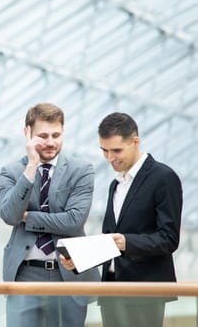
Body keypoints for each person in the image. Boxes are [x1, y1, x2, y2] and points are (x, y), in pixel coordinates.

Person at [61, 112, 183, 327]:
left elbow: (169, 239)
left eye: (116, 150)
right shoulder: (115, 185)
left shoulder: (163, 178)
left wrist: (126, 242)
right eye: (104, 151)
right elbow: (111, 240)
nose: (110, 158)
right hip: (111, 289)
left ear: (135, 142)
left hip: (144, 291)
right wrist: (81, 259)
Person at [0, 102, 100, 327]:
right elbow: (9, 215)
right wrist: (32, 166)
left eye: (57, 134)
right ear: (28, 133)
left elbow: (74, 221)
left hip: (69, 273)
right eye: (43, 136)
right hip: (24, 275)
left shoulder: (81, 170)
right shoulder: (12, 171)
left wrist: (29, 218)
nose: (51, 142)